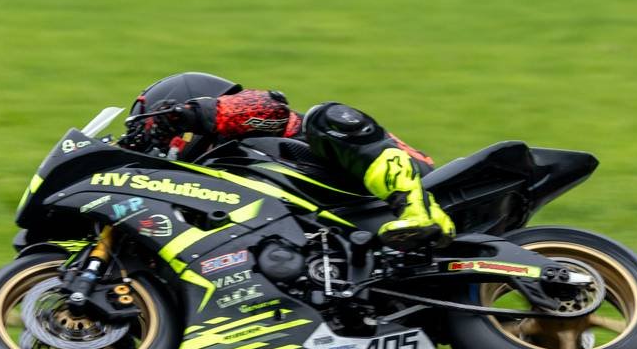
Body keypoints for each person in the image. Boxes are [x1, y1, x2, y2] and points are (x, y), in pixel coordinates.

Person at [118, 72, 456, 250]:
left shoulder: (252, 122)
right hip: (342, 231)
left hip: (402, 185)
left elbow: (271, 106)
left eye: (156, 130)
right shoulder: (215, 182)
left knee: (325, 117)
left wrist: (189, 115)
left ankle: (418, 210)